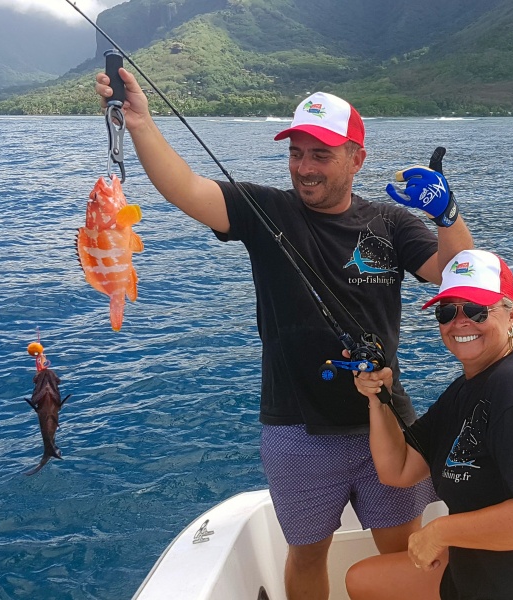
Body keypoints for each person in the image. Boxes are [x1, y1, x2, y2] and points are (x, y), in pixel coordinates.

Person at [95, 69, 474, 600]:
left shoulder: (389, 224)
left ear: (355, 158)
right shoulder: (264, 210)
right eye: (297, 153)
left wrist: (446, 214)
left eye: (320, 154)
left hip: (383, 418)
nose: (304, 167)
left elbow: (457, 275)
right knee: (307, 551)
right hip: (297, 428)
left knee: (403, 544)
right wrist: (139, 122)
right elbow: (185, 187)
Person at [349, 249, 513, 600]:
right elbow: (398, 469)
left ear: (511, 315)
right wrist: (377, 399)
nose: (460, 322)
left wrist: (441, 533)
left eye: (475, 309)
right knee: (362, 580)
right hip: (480, 573)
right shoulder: (468, 388)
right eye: (447, 311)